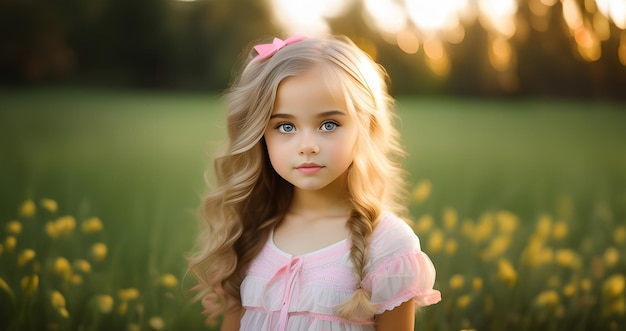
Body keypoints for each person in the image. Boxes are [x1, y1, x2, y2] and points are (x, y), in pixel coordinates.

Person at [188, 34, 441, 331]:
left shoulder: (387, 245)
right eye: (285, 126)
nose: (307, 145)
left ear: (366, 127)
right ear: (260, 135)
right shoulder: (252, 230)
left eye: (328, 124)